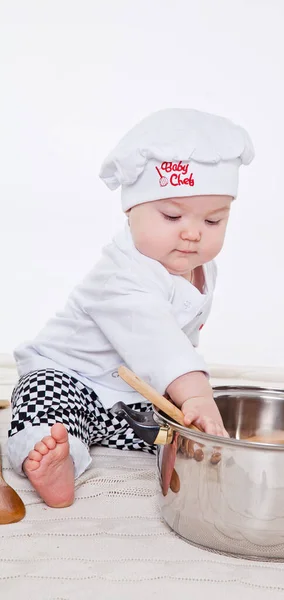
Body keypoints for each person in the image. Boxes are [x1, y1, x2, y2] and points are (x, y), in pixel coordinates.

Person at [7, 108, 254, 507]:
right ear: (129, 210)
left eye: (213, 221)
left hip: (133, 394)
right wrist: (196, 394)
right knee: (45, 405)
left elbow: (181, 342)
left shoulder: (202, 269)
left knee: (173, 424)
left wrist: (185, 405)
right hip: (71, 377)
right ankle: (56, 457)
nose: (192, 233)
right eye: (172, 215)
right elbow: (160, 344)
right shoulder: (120, 276)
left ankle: (185, 450)